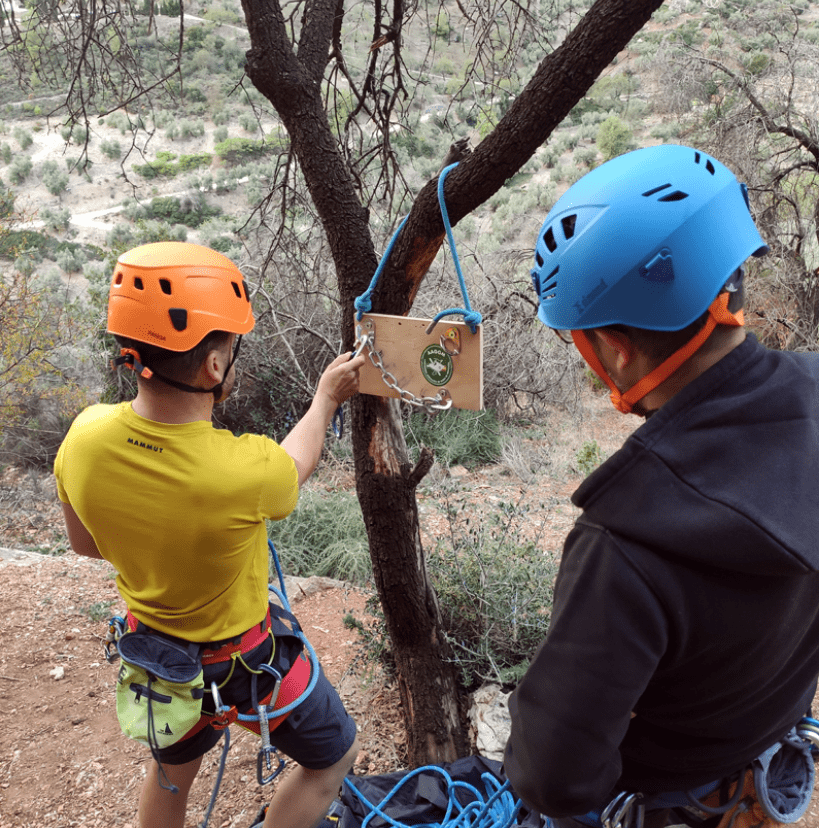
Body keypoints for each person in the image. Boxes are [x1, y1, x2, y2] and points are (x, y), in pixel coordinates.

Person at [503, 145, 819, 828]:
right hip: (768, 776)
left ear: (612, 350)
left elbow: (552, 777)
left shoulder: (621, 547)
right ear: (729, 286)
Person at [54, 241, 364, 828]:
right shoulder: (239, 470)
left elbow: (85, 544)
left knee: (171, 777)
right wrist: (325, 397)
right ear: (214, 367)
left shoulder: (85, 437)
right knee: (335, 757)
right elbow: (293, 464)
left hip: (159, 659)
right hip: (247, 662)